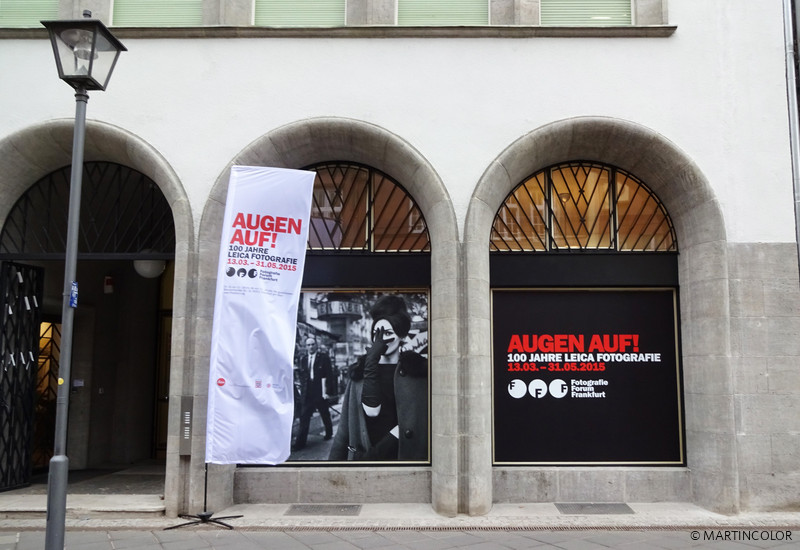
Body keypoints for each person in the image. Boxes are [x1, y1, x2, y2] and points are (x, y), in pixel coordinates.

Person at [329, 295, 428, 461]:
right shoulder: (359, 375)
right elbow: (344, 431)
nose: (381, 340)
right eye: (376, 333)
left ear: (402, 335)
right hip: (365, 460)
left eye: (388, 333)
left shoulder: (418, 373)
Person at [292, 336, 334, 451]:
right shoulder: (304, 359)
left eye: (312, 344)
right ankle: (300, 443)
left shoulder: (323, 358)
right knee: (304, 417)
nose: (310, 347)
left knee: (325, 414)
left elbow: (329, 375)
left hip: (320, 392)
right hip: (308, 394)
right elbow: (302, 376)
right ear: (306, 347)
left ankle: (329, 433)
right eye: (308, 345)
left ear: (316, 346)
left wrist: (327, 392)